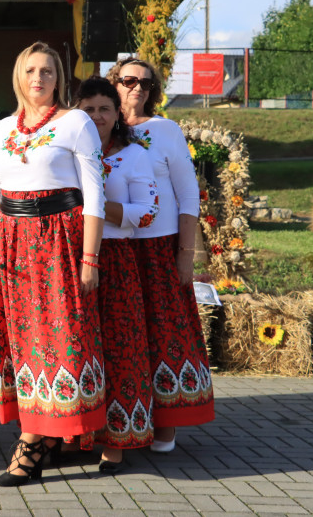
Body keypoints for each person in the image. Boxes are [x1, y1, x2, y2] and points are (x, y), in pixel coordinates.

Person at [0, 42, 106, 487]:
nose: (39, 79)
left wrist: (90, 259)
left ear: (59, 78)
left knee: (60, 336)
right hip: (12, 245)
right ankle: (44, 433)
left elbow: (94, 197)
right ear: (18, 76)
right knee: (23, 338)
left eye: (47, 71)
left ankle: (33, 441)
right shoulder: (5, 127)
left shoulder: (76, 122)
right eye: (31, 70)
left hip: (59, 241)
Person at [108, 57, 214, 451]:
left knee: (163, 331)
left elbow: (188, 194)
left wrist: (185, 253)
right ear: (114, 83)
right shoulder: (97, 128)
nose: (137, 88)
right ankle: (120, 421)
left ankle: (167, 421)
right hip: (114, 246)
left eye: (146, 84)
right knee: (123, 337)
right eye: (129, 80)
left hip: (158, 247)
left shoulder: (165, 130)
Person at [76, 76, 158, 474]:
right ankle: (74, 434)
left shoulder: (134, 155)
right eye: (88, 109)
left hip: (117, 260)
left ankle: (116, 442)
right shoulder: (66, 153)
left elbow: (146, 212)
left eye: (104, 108)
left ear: (117, 113)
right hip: (68, 255)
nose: (96, 116)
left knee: (120, 348)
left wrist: (95, 204)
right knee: (77, 347)